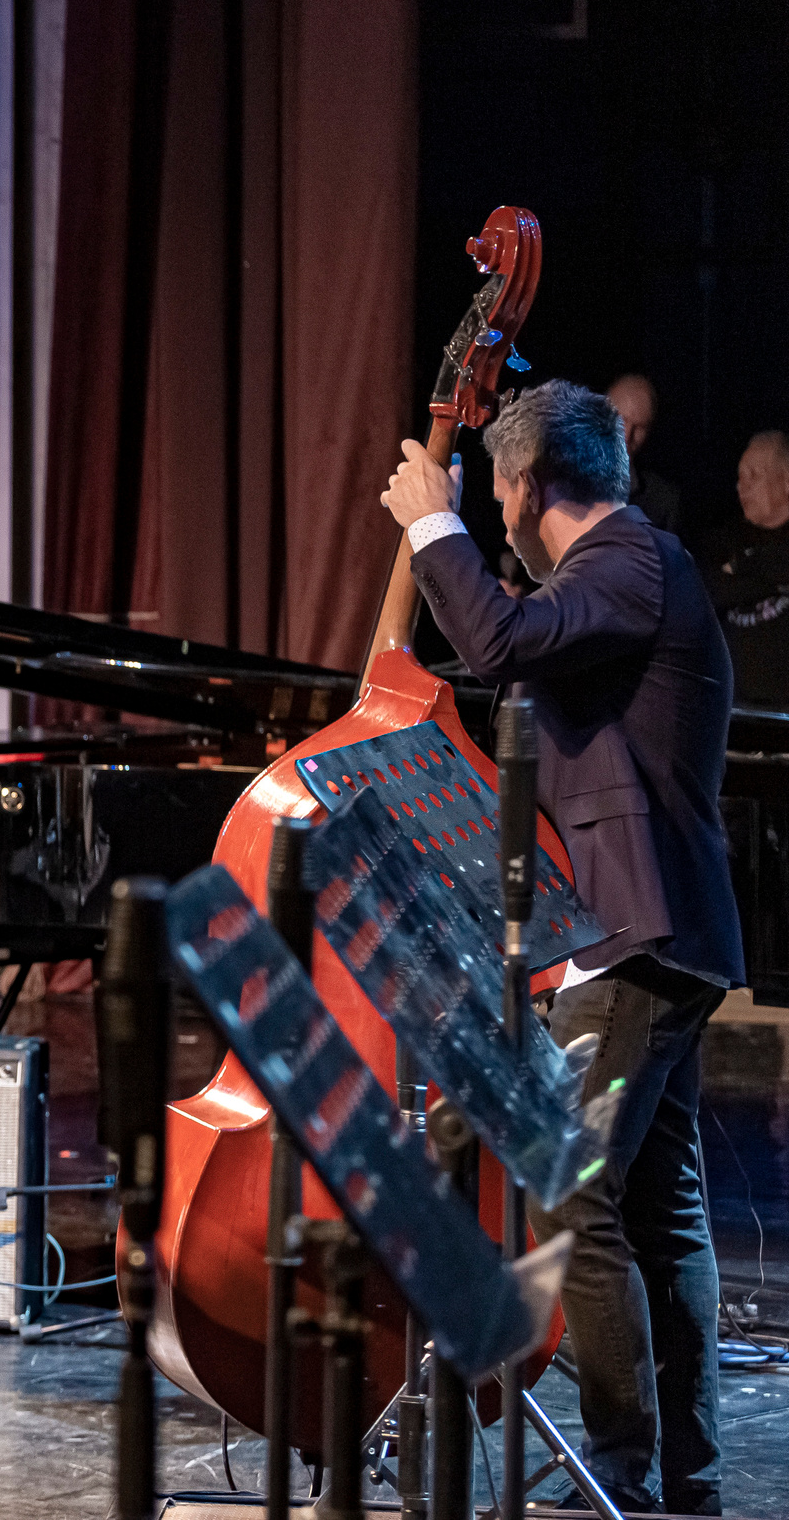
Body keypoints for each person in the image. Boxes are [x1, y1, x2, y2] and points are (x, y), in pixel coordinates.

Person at [383, 379, 741, 1515]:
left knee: (565, 1184)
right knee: (653, 1210)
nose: (488, 511)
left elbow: (493, 637)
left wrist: (426, 521)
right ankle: (675, 1470)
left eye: (492, 489)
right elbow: (495, 642)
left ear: (531, 482)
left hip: (633, 936)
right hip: (645, 930)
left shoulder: (628, 563)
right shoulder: (619, 580)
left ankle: (621, 1465)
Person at [702, 429, 789, 707]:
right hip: (732, 712)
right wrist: (768, 580)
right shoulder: (723, 539)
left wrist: (740, 570)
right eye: (740, 477)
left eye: (754, 475)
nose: (742, 486)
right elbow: (706, 591)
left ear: (786, 480)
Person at [606, 372, 684, 535]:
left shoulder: (661, 501)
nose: (627, 435)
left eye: (640, 427)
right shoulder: (559, 478)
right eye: (621, 419)